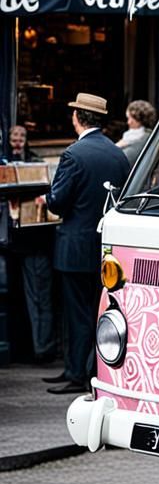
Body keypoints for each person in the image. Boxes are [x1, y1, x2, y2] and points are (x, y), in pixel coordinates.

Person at [38, 94, 130, 393]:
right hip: (106, 247)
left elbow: (58, 203)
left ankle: (76, 373)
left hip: (75, 245)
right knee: (97, 311)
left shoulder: (74, 154)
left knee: (76, 314)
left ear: (78, 117)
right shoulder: (118, 154)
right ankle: (89, 370)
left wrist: (46, 199)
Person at [3, 126, 58, 366]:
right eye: (14, 137)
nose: (17, 141)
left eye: (21, 137)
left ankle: (41, 349)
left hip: (30, 240)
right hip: (11, 242)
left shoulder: (34, 162)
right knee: (16, 297)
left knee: (38, 297)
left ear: (26, 140)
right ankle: (20, 347)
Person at [116, 99, 156, 166]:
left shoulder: (142, 138)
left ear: (138, 119)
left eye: (130, 118)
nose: (128, 122)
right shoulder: (147, 135)